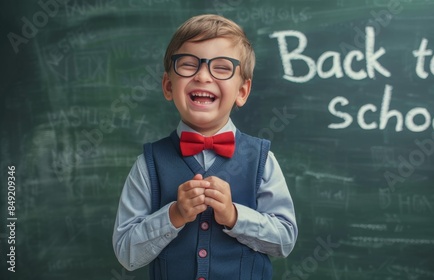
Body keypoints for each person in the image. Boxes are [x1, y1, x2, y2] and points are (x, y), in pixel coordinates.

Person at [112, 14, 298, 280]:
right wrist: (173, 215)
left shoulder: (262, 160)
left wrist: (234, 216)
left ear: (242, 92)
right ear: (168, 86)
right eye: (188, 64)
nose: (202, 76)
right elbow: (126, 253)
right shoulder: (148, 164)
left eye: (222, 67)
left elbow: (284, 240)